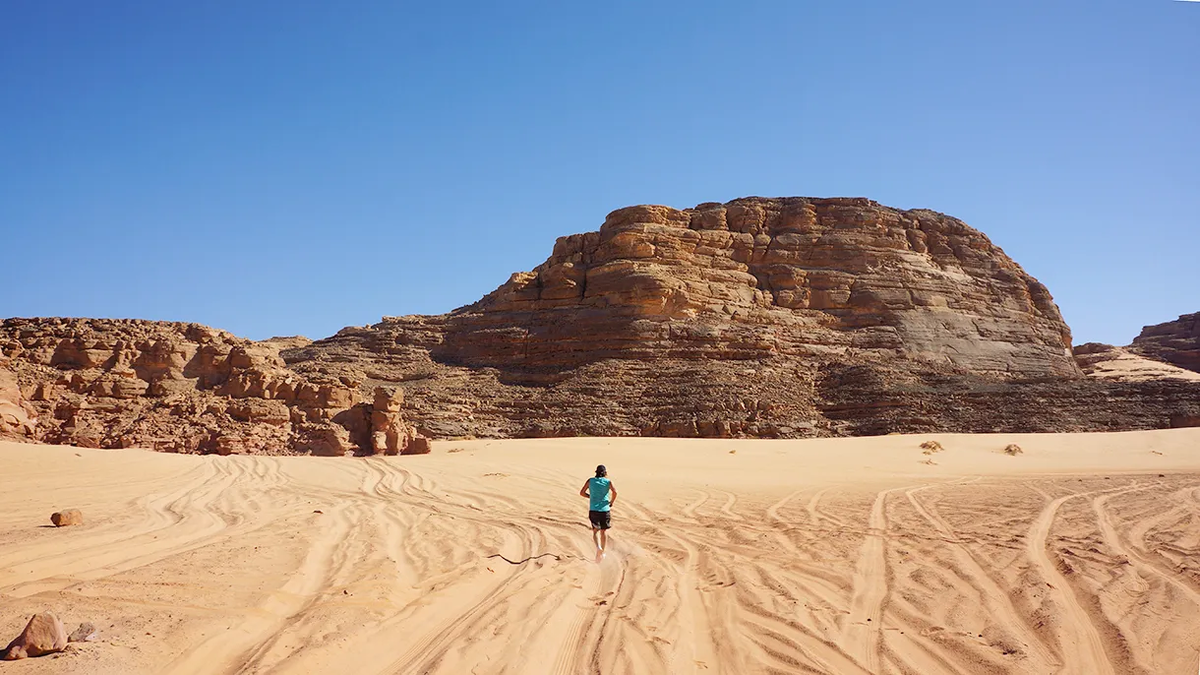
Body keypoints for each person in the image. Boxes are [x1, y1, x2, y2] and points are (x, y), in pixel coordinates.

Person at [580, 464, 617, 561]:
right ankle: (602, 552)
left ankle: (598, 548)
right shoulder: (608, 482)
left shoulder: (590, 481)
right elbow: (615, 492)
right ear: (605, 473)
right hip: (605, 509)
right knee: (603, 531)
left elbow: (582, 493)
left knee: (595, 531)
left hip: (594, 509)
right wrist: (611, 502)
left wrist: (590, 497)